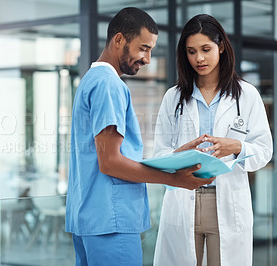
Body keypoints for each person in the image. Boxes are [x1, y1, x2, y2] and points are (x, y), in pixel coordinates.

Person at [65, 8, 214, 266]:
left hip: (89, 219)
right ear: (119, 39)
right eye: (143, 48)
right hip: (112, 223)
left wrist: (176, 157)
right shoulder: (109, 85)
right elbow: (110, 162)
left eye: (151, 50)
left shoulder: (90, 80)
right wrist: (174, 178)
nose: (147, 59)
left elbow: (107, 155)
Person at [153, 14, 273, 266]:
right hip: (183, 201)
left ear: (221, 47)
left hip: (227, 202)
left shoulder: (247, 96)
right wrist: (180, 153)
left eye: (206, 49)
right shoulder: (173, 97)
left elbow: (264, 151)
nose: (199, 58)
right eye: (191, 51)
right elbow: (159, 153)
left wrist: (236, 146)